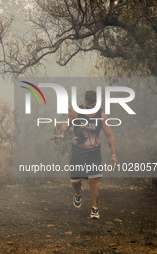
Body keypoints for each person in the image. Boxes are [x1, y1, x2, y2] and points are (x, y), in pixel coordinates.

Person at [61, 90, 118, 220]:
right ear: (85, 102)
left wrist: (113, 154)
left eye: (92, 106)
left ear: (96, 103)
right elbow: (67, 123)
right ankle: (78, 192)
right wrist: (64, 127)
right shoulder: (76, 112)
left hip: (93, 152)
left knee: (93, 178)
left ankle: (94, 208)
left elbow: (109, 135)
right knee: (75, 180)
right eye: (88, 105)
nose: (90, 108)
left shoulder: (101, 116)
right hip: (77, 151)